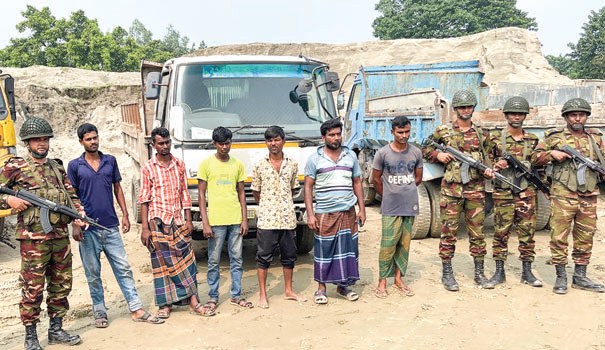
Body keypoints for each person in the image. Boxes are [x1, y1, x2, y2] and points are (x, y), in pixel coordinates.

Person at [0, 117, 86, 350]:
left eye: (44, 139)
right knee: (33, 287)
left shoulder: (57, 167)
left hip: (60, 237)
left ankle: (56, 329)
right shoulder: (14, 167)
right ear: (27, 143)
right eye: (36, 140)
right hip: (33, 241)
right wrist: (9, 199)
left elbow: (71, 196)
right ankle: (31, 336)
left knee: (61, 285)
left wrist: (79, 215)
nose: (41, 143)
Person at [68, 123, 163, 328]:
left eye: (95, 137)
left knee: (123, 268)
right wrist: (75, 224)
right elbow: (71, 195)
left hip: (110, 227)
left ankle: (136, 308)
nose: (93, 142)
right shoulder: (75, 165)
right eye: (88, 139)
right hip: (87, 230)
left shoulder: (110, 161)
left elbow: (117, 188)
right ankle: (100, 312)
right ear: (81, 142)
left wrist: (126, 215)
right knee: (93, 274)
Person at [422, 89, 495, 292]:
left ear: (473, 108)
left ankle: (479, 273)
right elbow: (424, 149)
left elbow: (494, 156)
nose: (465, 110)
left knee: (477, 233)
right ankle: (447, 273)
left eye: (469, 106)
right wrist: (438, 155)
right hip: (451, 191)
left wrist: (491, 170)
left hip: (475, 191)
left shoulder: (482, 134)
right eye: (462, 107)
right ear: (455, 109)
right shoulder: (443, 131)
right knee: (449, 232)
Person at [532, 98, 605, 294]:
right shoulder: (554, 136)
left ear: (586, 117)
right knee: (559, 236)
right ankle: (561, 277)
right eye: (573, 115)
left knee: (585, 236)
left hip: (588, 195)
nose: (578, 118)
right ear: (566, 117)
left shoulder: (595, 138)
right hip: (563, 194)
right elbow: (534, 157)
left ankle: (580, 276)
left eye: (581, 114)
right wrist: (551, 155)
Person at [138, 127, 202, 318]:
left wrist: (188, 220)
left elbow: (184, 193)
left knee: (187, 260)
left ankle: (193, 301)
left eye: (167, 143)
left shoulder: (179, 164)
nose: (165, 147)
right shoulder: (148, 168)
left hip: (178, 220)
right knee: (162, 264)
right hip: (157, 221)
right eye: (160, 143)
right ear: (154, 145)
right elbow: (144, 199)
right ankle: (165, 305)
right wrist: (145, 228)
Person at [304, 118, 366, 304]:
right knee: (324, 250)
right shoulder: (314, 159)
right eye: (331, 135)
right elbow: (308, 187)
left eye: (338, 134)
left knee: (347, 251)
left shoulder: (351, 157)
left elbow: (357, 182)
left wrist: (361, 209)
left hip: (348, 212)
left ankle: (343, 287)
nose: (336, 138)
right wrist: (311, 214)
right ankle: (321, 289)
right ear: (323, 137)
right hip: (325, 212)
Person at [487, 97, 543, 287]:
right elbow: (486, 167)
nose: (516, 117)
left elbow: (540, 168)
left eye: (520, 114)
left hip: (526, 194)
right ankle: (499, 272)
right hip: (503, 194)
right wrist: (496, 166)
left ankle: (527, 272)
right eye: (513, 113)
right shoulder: (495, 139)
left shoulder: (534, 141)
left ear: (525, 116)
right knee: (501, 233)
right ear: (506, 115)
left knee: (527, 233)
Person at [251, 126, 307, 309]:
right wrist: (269, 205)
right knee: (263, 257)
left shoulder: (292, 163)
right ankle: (263, 294)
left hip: (288, 218)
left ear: (283, 140)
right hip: (267, 219)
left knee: (289, 256)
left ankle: (288, 291)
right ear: (266, 143)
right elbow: (256, 192)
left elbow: (293, 189)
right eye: (269, 140)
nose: (273, 143)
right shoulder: (259, 164)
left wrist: (282, 203)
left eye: (276, 139)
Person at [198, 126, 252, 315]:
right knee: (213, 260)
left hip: (235, 219)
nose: (224, 147)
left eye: (227, 143)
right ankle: (213, 296)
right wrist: (205, 222)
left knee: (237, 259)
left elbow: (242, 193)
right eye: (221, 144)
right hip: (216, 221)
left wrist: (244, 220)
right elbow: (201, 195)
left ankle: (236, 295)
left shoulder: (237, 164)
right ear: (215, 144)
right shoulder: (206, 165)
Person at [372, 116, 423, 298]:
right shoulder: (383, 153)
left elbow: (418, 178)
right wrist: (389, 195)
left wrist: (405, 191)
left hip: (409, 205)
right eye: (400, 132)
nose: (404, 135)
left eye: (407, 132)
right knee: (388, 244)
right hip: (390, 206)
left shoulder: (416, 153)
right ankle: (382, 281)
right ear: (392, 132)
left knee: (404, 243)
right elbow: (375, 179)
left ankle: (399, 279)